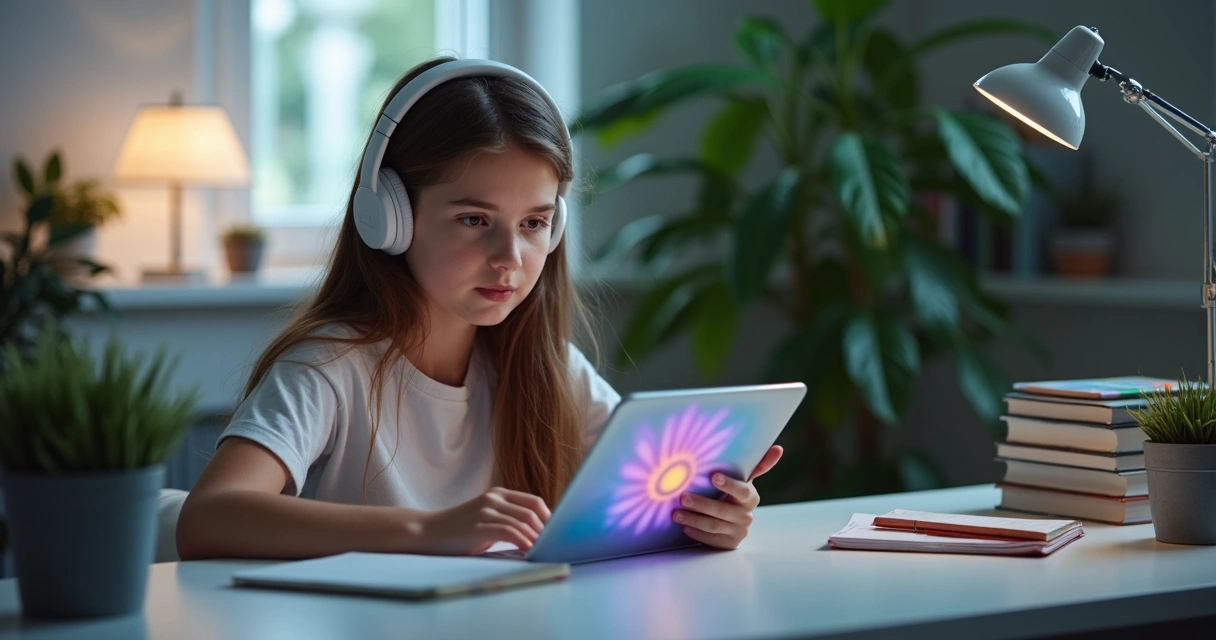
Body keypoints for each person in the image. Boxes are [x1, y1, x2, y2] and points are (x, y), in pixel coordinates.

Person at [175, 57, 784, 561]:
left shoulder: (548, 366)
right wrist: (426, 530)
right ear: (391, 217)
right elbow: (208, 518)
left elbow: (633, 499)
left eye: (534, 223)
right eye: (474, 220)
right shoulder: (329, 367)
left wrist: (705, 516)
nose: (510, 258)